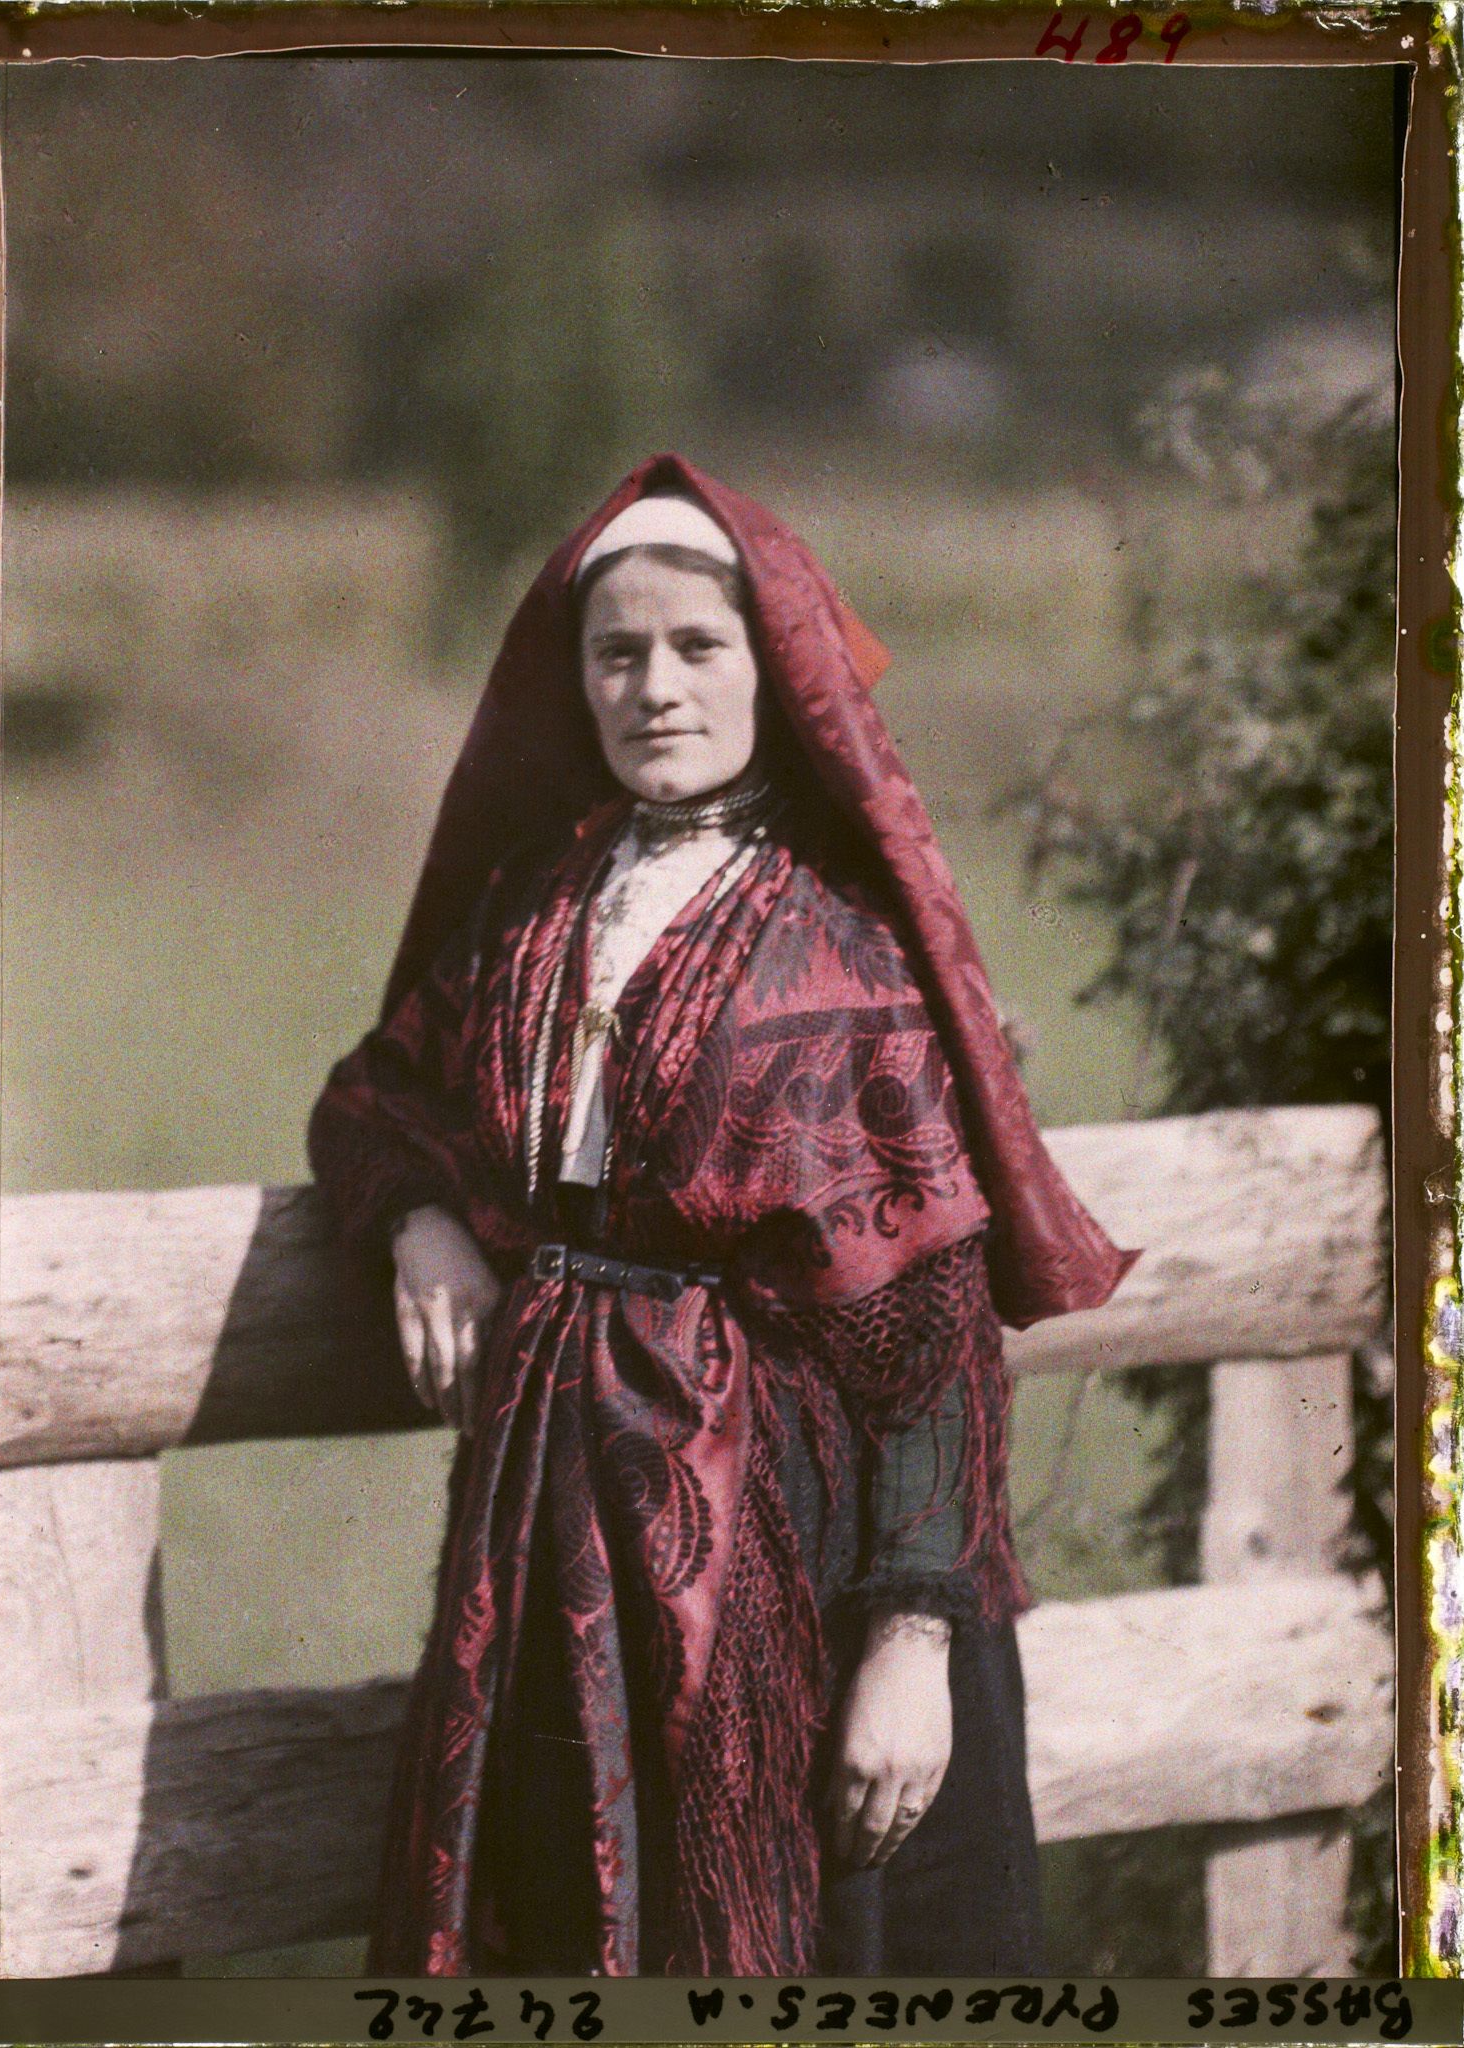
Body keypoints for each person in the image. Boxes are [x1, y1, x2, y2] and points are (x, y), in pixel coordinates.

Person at [308, 455, 1135, 1978]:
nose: (656, 689)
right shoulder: (539, 907)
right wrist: (418, 1220)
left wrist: (910, 1646)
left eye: (701, 648)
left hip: (795, 1551)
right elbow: (378, 1092)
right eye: (617, 653)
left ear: (777, 669)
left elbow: (932, 1336)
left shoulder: (845, 950)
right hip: (557, 1534)